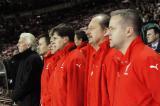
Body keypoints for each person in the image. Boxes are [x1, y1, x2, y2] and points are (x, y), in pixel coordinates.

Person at [108, 9, 160, 106]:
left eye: (112, 29)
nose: (108, 34)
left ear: (128, 31)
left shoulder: (147, 58)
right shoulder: (124, 59)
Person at [48, 24, 86, 106]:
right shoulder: (62, 59)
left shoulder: (75, 58)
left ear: (65, 39)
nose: (52, 42)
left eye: (55, 38)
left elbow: (75, 94)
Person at [85, 14, 114, 106]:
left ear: (105, 31)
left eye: (92, 28)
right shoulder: (92, 56)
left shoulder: (113, 55)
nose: (87, 32)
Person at [12, 33, 43, 106]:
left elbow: (27, 83)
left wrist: (14, 97)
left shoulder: (33, 58)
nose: (17, 45)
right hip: (24, 100)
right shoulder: (25, 58)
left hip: (30, 101)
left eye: (20, 42)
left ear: (28, 45)